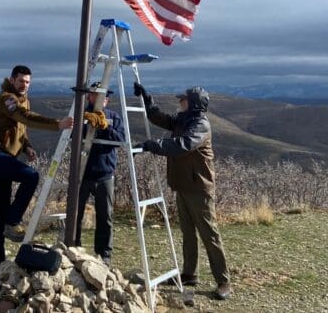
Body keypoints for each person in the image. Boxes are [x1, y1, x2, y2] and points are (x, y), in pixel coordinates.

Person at [134, 83, 231, 300]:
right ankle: (189, 274)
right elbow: (163, 120)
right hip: (184, 186)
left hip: (199, 189)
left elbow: (182, 145)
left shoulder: (200, 125)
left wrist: (152, 145)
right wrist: (148, 101)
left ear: (194, 103)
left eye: (183, 99)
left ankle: (223, 281)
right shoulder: (185, 120)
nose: (180, 102)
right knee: (188, 233)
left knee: (209, 235)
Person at [0, 65, 73, 275]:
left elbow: (21, 127)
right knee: (31, 176)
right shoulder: (7, 99)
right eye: (21, 81)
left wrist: (26, 146)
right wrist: (58, 123)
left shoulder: (23, 99)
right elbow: (24, 116)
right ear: (12, 80)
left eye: (28, 82)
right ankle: (13, 222)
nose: (24, 85)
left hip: (4, 157)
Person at [75, 82, 125, 267]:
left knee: (105, 217)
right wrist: (85, 123)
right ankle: (74, 248)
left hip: (105, 175)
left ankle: (104, 255)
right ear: (89, 96)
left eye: (103, 96)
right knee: (75, 215)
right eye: (96, 94)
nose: (100, 98)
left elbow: (120, 139)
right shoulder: (80, 114)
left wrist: (105, 127)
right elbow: (72, 136)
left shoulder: (113, 117)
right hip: (82, 174)